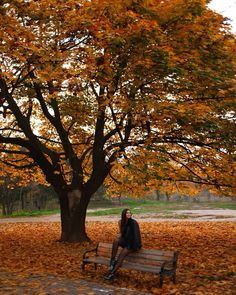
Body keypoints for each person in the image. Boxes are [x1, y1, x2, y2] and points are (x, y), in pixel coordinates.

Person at [104, 208, 142, 280]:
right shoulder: (121, 222)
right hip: (126, 241)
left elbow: (137, 235)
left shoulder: (134, 223)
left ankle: (112, 273)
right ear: (124, 214)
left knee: (121, 256)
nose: (129, 214)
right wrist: (120, 235)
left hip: (133, 243)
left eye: (130, 213)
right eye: (127, 213)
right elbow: (123, 233)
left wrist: (133, 246)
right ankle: (112, 261)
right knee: (116, 241)